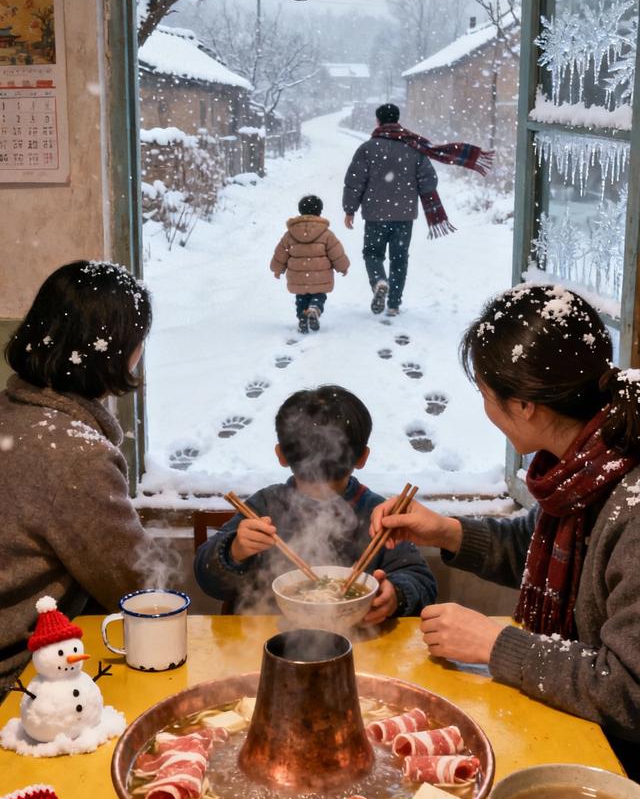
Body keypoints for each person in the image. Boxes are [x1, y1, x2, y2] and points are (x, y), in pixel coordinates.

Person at [371, 283, 640, 775]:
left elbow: (629, 692)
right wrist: (446, 531)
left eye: (485, 394)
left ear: (524, 406)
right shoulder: (586, 465)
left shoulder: (631, 505)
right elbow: (537, 549)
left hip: (620, 771)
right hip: (583, 734)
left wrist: (496, 646)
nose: (485, 409)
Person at [0, 260, 161, 690]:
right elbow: (139, 587)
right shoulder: (74, 456)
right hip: (21, 680)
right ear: (112, 352)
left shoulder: (12, 413)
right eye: (137, 340)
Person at [194, 385, 436, 617]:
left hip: (361, 637)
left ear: (280, 455)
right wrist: (235, 550)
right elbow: (207, 578)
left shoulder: (378, 515)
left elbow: (422, 582)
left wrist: (396, 595)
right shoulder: (265, 507)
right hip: (268, 636)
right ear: (363, 457)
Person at [343, 103, 492, 316]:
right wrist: (413, 189)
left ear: (378, 121)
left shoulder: (368, 148)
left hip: (374, 215)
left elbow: (354, 181)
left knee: (372, 254)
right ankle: (394, 304)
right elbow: (429, 180)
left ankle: (379, 282)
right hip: (404, 216)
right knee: (399, 258)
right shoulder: (413, 147)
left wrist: (350, 209)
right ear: (397, 120)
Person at [270, 194, 350, 333]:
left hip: (298, 277)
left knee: (301, 297)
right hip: (320, 276)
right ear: (319, 212)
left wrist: (277, 269)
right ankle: (314, 308)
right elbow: (336, 253)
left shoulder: (290, 234)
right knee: (319, 295)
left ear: (300, 211)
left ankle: (302, 316)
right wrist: (342, 267)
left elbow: (281, 253)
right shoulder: (326, 234)